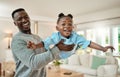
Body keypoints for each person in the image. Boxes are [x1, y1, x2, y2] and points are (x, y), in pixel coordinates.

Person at [11, 8, 74, 77]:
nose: (24, 20)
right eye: (20, 19)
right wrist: (58, 48)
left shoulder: (37, 38)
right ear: (15, 23)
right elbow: (34, 63)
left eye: (26, 17)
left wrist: (66, 48)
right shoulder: (17, 40)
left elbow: (49, 55)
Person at [28, 13, 115, 59]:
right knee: (47, 48)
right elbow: (44, 42)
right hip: (57, 56)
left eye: (69, 24)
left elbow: (89, 43)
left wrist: (103, 48)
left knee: (79, 44)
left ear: (73, 27)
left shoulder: (75, 36)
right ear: (57, 28)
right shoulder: (56, 36)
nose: (67, 26)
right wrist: (36, 46)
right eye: (63, 24)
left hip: (70, 55)